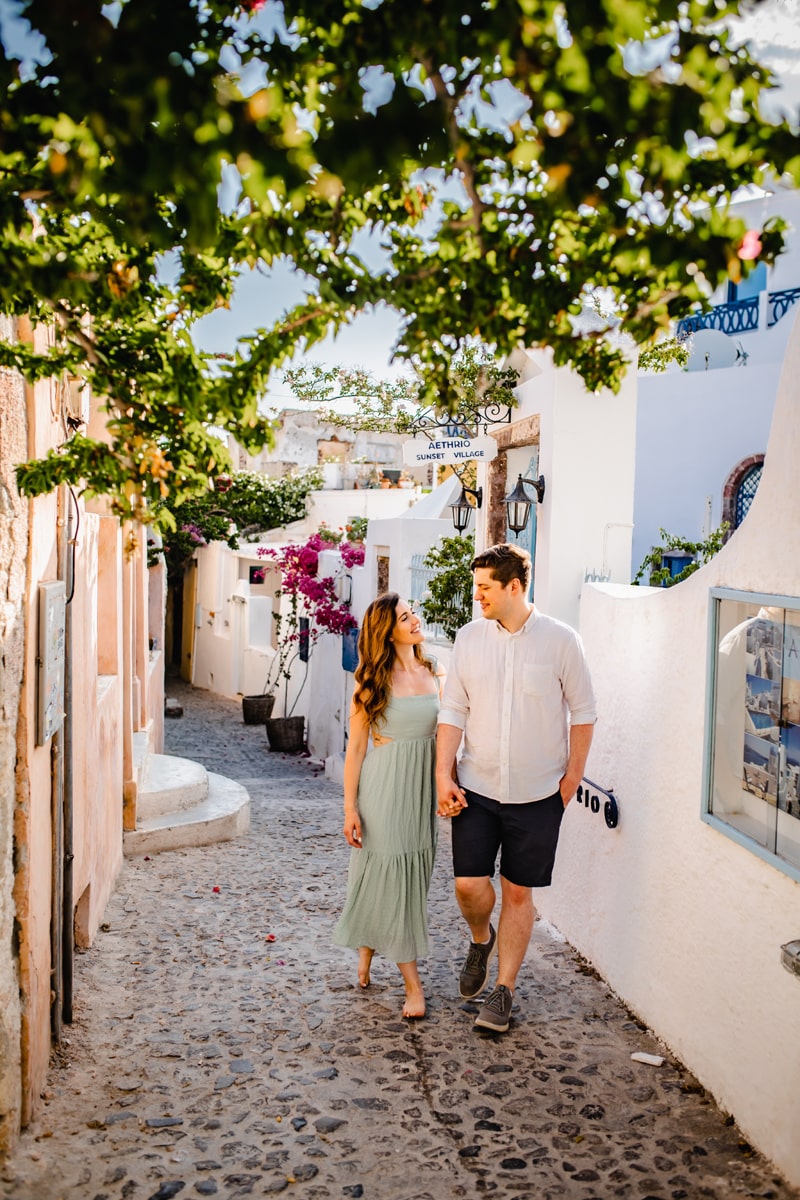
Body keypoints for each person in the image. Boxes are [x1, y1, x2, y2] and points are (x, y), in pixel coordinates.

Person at [436, 543, 596, 1033]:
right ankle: (480, 938)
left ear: (515, 586)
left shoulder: (562, 641)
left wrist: (571, 780)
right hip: (477, 788)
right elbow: (453, 710)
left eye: (485, 587)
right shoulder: (469, 639)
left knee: (518, 892)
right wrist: (443, 774)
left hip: (539, 794)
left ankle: (503, 990)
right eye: (477, 586)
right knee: (468, 885)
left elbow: (584, 712)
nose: (477, 595)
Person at [334, 592, 444, 1019]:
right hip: (383, 790)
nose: (414, 620)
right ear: (387, 632)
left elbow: (446, 734)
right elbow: (356, 751)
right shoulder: (370, 683)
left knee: (411, 879)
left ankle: (366, 947)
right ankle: (413, 987)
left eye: (412, 613)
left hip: (420, 792)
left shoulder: (434, 670)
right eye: (403, 618)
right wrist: (350, 809)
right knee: (395, 881)